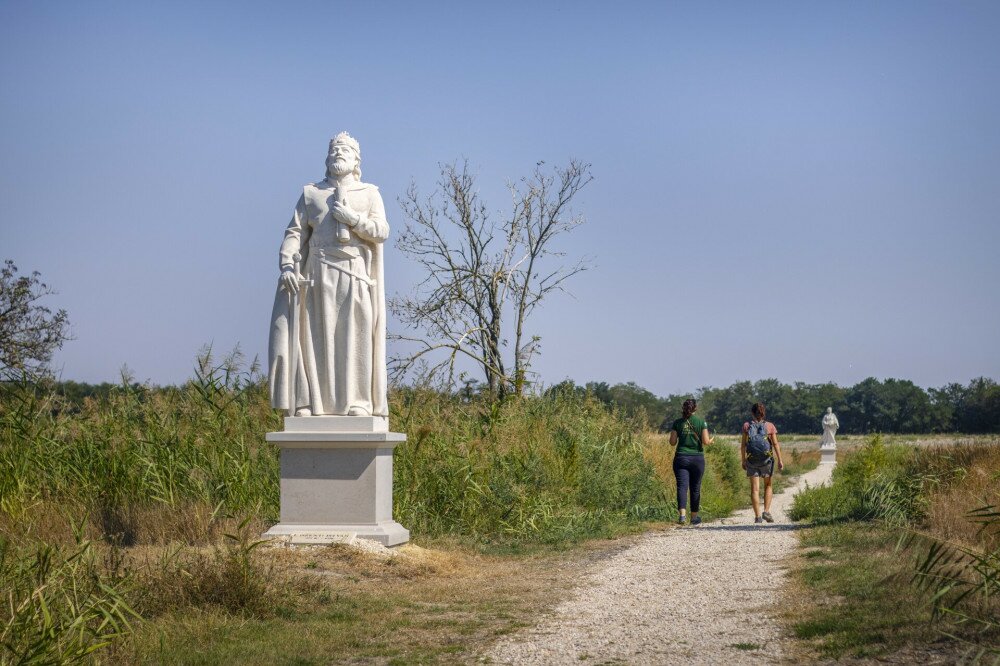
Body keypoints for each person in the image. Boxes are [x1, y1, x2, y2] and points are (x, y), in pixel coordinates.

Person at [268, 132, 389, 416]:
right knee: (314, 339)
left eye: (345, 150)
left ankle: (358, 401)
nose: (338, 153)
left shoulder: (370, 193)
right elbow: (294, 234)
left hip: (354, 273)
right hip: (317, 274)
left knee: (354, 337)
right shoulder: (312, 194)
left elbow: (382, 231)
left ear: (356, 159)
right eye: (334, 149)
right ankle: (308, 402)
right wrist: (287, 265)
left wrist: (353, 219)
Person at [668, 399, 713, 525]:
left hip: (681, 458)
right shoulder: (701, 422)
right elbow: (705, 441)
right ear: (695, 408)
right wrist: (711, 441)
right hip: (697, 459)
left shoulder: (677, 423)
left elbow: (672, 443)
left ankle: (682, 516)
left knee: (682, 487)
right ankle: (694, 518)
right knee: (695, 488)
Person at [741, 402, 784, 524]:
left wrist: (743, 460)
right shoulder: (770, 426)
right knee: (768, 485)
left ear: (752, 413)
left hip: (752, 460)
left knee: (755, 489)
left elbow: (743, 445)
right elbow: (775, 444)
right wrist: (780, 460)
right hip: (766, 461)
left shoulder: (746, 425)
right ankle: (766, 511)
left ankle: (757, 517)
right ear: (763, 413)